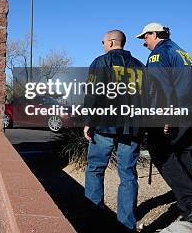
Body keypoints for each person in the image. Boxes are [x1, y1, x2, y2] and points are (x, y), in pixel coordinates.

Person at [137, 22, 192, 223]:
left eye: (145, 37)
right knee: (184, 156)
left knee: (160, 152)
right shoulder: (182, 53)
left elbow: (161, 87)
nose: (144, 42)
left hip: (176, 112)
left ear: (154, 34)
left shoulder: (159, 55)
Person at [83, 29, 145, 232]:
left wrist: (88, 121)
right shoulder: (140, 66)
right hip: (132, 128)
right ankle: (126, 225)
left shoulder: (100, 62)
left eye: (102, 41)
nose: (102, 45)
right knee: (128, 175)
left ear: (110, 42)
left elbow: (92, 94)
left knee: (95, 169)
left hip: (104, 126)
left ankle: (93, 220)